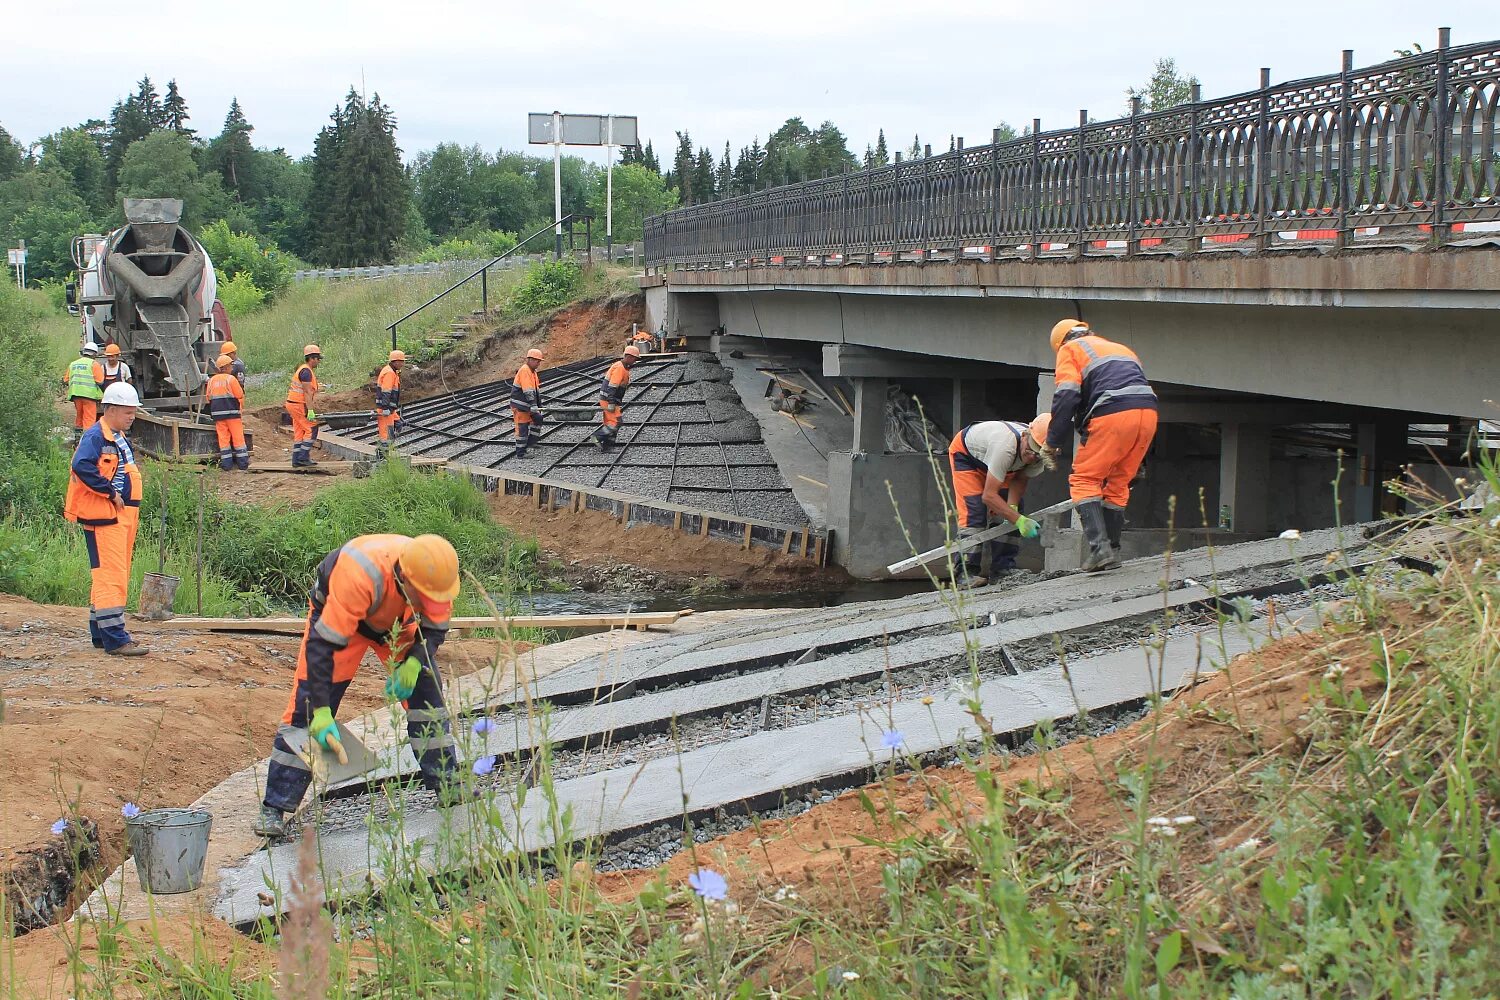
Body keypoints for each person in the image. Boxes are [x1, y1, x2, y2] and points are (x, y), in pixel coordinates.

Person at [254, 533, 465, 837]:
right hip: (340, 621)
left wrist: (416, 661)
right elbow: (322, 647)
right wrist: (323, 712)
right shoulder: (358, 577)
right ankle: (274, 807)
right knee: (306, 709)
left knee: (428, 703)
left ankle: (448, 786)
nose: (432, 603)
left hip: (398, 626)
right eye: (424, 598)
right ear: (404, 578)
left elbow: (434, 628)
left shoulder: (435, 578)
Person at [1046, 319, 1158, 572]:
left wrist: (1052, 441)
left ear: (1060, 342)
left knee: (1084, 480)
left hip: (1112, 414)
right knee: (1118, 482)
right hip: (1147, 414)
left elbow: (1067, 394)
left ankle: (1100, 549)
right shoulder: (1119, 348)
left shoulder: (1070, 350)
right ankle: (1112, 550)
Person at [64, 383, 147, 656]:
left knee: (111, 575)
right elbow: (82, 465)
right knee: (110, 577)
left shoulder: (117, 436)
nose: (131, 417)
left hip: (121, 517)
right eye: (127, 412)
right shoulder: (95, 437)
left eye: (133, 412)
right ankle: (115, 639)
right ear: (110, 409)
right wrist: (110, 492)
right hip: (105, 518)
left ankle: (102, 634)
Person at [946, 415, 1054, 586]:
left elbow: (1019, 479)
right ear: (1026, 435)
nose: (1032, 456)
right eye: (1031, 449)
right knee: (974, 512)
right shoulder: (1005, 447)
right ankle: (965, 574)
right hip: (968, 458)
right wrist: (1018, 520)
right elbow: (988, 496)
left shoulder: (1038, 455)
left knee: (1010, 511)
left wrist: (1011, 510)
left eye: (1038, 454)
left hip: (1005, 464)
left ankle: (1003, 569)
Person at [592, 344, 640, 451]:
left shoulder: (623, 367)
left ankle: (608, 444)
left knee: (611, 422)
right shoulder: (620, 368)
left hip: (610, 399)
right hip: (609, 400)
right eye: (634, 359)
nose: (635, 361)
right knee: (616, 422)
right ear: (628, 357)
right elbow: (612, 387)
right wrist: (611, 402)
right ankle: (598, 436)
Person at [206, 354, 250, 470]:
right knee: (238, 438)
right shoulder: (231, 379)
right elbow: (239, 394)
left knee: (223, 439)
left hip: (218, 415)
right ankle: (243, 463)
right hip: (232, 414)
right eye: (230, 366)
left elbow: (208, 397)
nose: (232, 368)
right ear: (225, 367)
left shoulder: (211, 381)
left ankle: (226, 465)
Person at [286, 344, 322, 468]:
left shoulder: (303, 369)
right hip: (298, 404)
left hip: (293, 403)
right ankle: (303, 457)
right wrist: (310, 411)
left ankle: (296, 459)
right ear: (312, 358)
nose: (319, 361)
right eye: (318, 358)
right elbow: (307, 392)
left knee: (299, 431)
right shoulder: (306, 372)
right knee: (311, 428)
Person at [509, 348, 546, 457]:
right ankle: (521, 452)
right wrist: (534, 405)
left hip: (527, 406)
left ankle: (531, 442)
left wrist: (538, 405)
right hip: (520, 406)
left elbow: (535, 390)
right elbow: (528, 391)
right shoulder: (525, 370)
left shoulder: (533, 372)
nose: (539, 363)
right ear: (530, 360)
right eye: (537, 361)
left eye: (539, 361)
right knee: (522, 428)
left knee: (538, 418)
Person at [63, 342, 104, 440]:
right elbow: (100, 382)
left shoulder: (73, 364)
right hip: (89, 396)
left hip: (76, 395)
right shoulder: (94, 364)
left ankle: (77, 440)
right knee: (89, 419)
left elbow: (65, 380)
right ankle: (87, 441)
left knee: (79, 417)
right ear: (94, 354)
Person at [376, 350, 405, 452]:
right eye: (401, 361)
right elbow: (386, 391)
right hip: (386, 409)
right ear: (395, 361)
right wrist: (385, 408)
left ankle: (387, 451)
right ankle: (384, 455)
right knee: (386, 435)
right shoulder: (389, 373)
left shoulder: (392, 371)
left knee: (398, 424)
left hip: (390, 409)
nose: (403, 364)